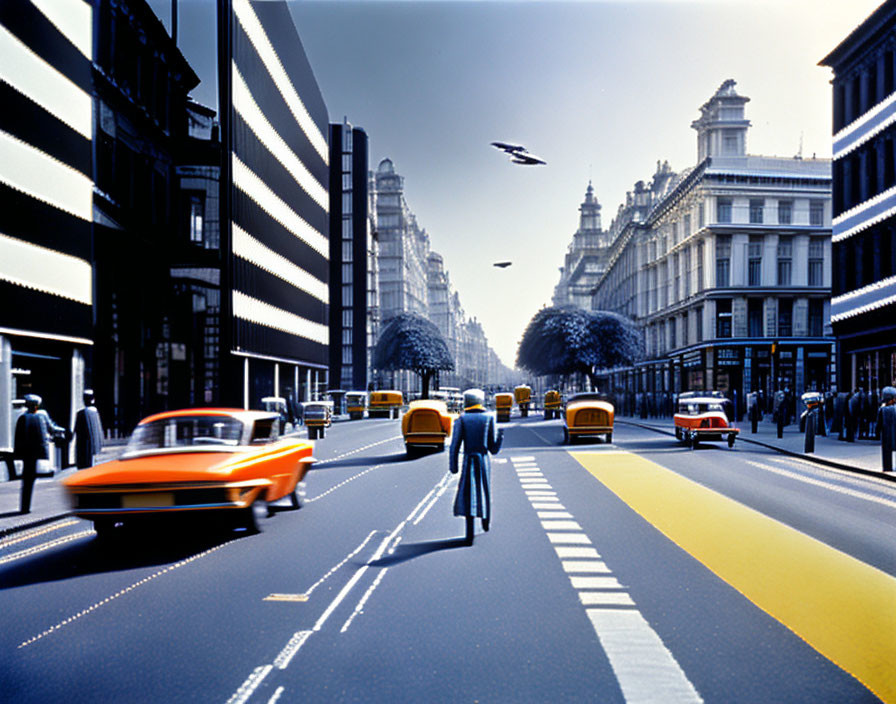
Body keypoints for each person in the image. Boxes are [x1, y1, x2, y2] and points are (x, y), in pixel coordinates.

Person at [449, 388, 504, 545]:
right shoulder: (489, 418)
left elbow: (455, 445)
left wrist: (453, 466)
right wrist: (500, 437)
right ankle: (485, 520)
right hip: (483, 459)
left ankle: (469, 528)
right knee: (485, 490)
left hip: (468, 459)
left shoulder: (462, 419)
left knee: (467, 493)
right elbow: (493, 448)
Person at [13, 394, 51, 513]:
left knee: (27, 482)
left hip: (26, 455)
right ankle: (25, 508)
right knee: (30, 481)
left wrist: (17, 455)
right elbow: (43, 438)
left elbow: (18, 438)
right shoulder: (39, 418)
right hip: (35, 455)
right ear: (35, 406)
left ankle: (25, 507)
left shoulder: (22, 418)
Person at [74, 389, 104, 469]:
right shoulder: (96, 413)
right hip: (95, 449)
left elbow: (76, 431)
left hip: (84, 449)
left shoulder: (81, 414)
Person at [878, 387, 896, 472]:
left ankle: (887, 467)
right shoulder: (893, 409)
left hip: (885, 435)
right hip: (894, 433)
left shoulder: (883, 409)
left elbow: (878, 424)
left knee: (886, 453)